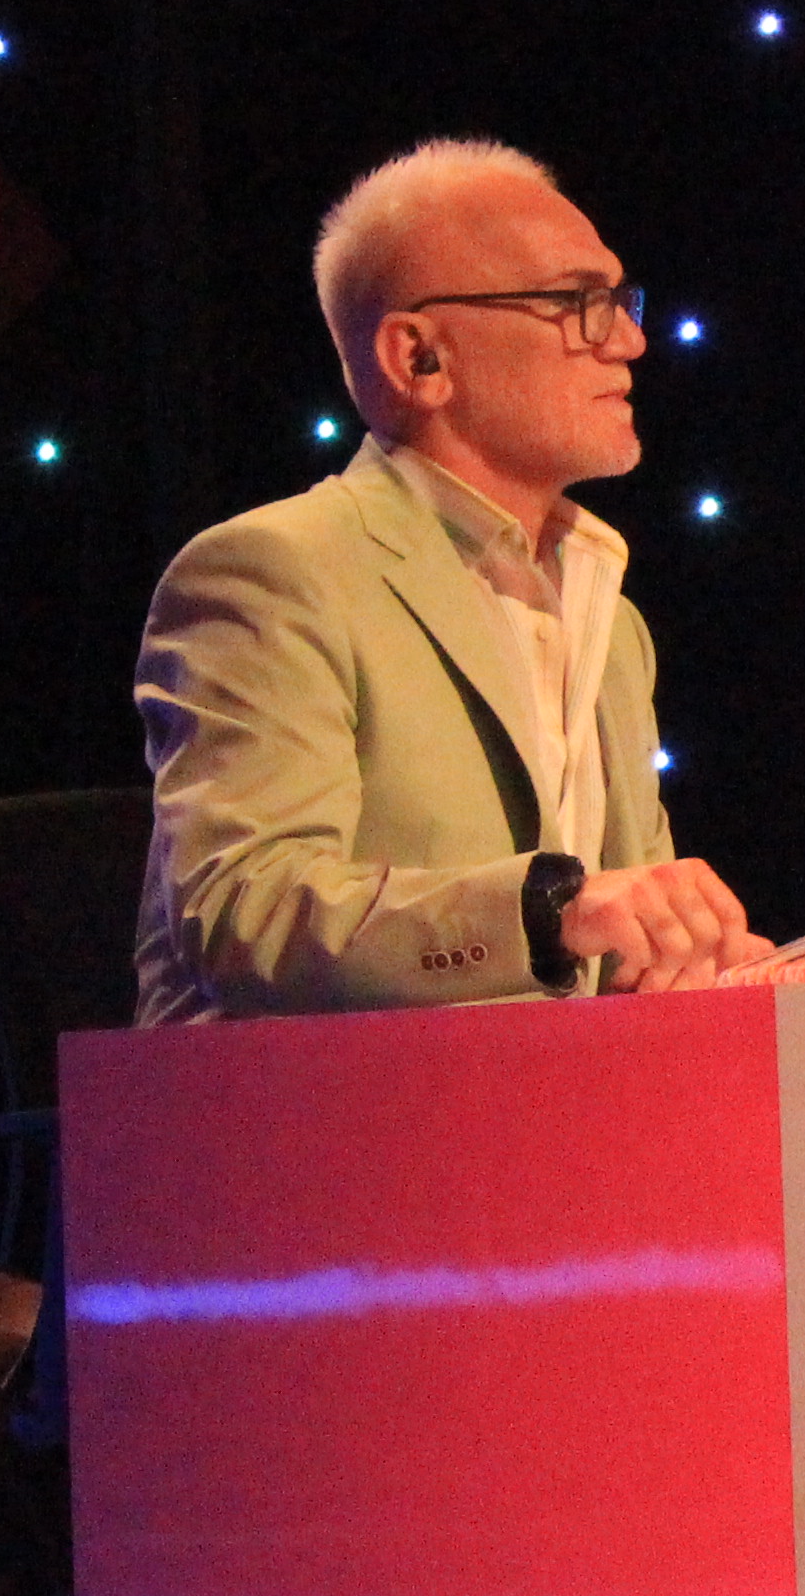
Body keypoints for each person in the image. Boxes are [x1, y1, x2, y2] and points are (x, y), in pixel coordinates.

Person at [133, 140, 762, 1020]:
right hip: (322, 1105)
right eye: (577, 302)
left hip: (551, 1098)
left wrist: (700, 964)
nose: (629, 340)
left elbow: (616, 948)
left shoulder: (612, 619)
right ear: (419, 358)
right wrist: (551, 912)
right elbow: (246, 910)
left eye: (621, 302)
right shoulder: (273, 571)